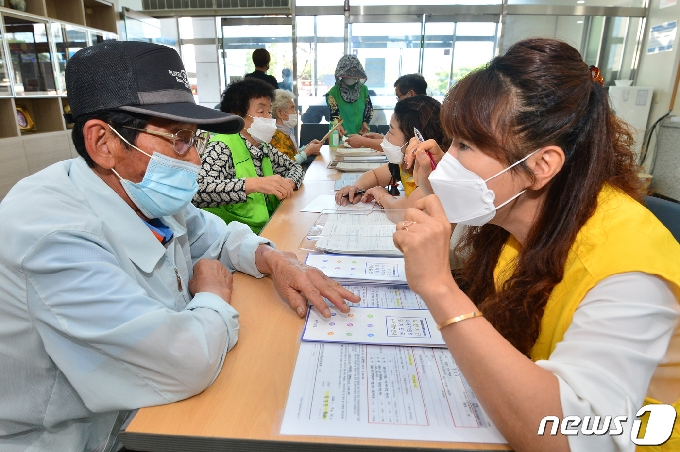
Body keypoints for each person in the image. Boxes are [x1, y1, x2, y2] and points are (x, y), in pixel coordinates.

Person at [0, 41, 359, 452]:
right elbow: (183, 362)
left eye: (194, 140)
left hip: (132, 414)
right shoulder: (51, 234)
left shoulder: (140, 191)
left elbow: (220, 236)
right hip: (69, 439)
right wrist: (211, 294)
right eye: (180, 139)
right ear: (103, 142)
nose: (193, 162)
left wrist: (275, 260)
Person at [395, 38, 680, 452]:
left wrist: (440, 289)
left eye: (465, 146)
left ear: (541, 165)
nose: (448, 160)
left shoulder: (629, 272)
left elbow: (573, 438)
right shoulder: (525, 219)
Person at [193, 78, 304, 234]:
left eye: (269, 111)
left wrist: (290, 182)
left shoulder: (263, 146)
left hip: (268, 228)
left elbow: (295, 167)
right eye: (260, 112)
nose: (268, 118)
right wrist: (253, 185)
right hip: (232, 239)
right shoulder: (221, 146)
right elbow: (199, 192)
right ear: (237, 114)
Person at [336, 96, 447, 212]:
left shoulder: (431, 170)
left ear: (413, 139)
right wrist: (357, 188)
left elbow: (405, 210)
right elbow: (375, 175)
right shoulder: (403, 164)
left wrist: (381, 195)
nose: (386, 137)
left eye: (391, 131)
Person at [345, 73, 427, 150]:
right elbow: (403, 141)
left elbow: (399, 147)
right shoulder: (422, 109)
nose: (398, 101)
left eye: (399, 96)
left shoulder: (419, 114)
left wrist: (363, 141)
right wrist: (383, 138)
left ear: (410, 94)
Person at [270, 88, 322, 165]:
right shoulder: (275, 136)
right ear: (280, 113)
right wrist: (307, 151)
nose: (295, 113)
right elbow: (287, 164)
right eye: (292, 108)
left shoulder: (285, 132)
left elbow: (292, 153)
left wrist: (307, 147)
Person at [326, 55, 373, 136]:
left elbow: (368, 109)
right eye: (348, 73)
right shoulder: (333, 93)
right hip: (341, 134)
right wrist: (337, 125)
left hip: (362, 134)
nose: (351, 76)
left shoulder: (363, 90)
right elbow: (334, 115)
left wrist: (365, 122)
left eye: (354, 73)